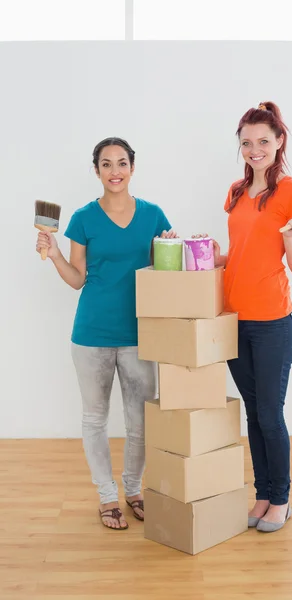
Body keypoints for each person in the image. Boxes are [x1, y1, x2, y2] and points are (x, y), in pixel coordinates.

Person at [36, 137, 176, 530]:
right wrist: (56, 254)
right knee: (95, 419)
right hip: (92, 334)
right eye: (106, 164)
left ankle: (133, 490)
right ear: (96, 170)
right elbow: (77, 279)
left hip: (139, 333)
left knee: (140, 421)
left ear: (132, 167)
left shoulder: (153, 215)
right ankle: (107, 496)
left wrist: (169, 246)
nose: (114, 171)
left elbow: (167, 271)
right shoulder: (83, 218)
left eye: (121, 163)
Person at [196, 101, 292, 532]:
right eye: (247, 142)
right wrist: (208, 254)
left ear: (279, 141)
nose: (254, 149)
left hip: (273, 321)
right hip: (234, 318)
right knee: (253, 411)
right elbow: (238, 254)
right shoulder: (236, 192)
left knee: (270, 414)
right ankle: (262, 495)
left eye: (263, 141)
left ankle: (281, 498)